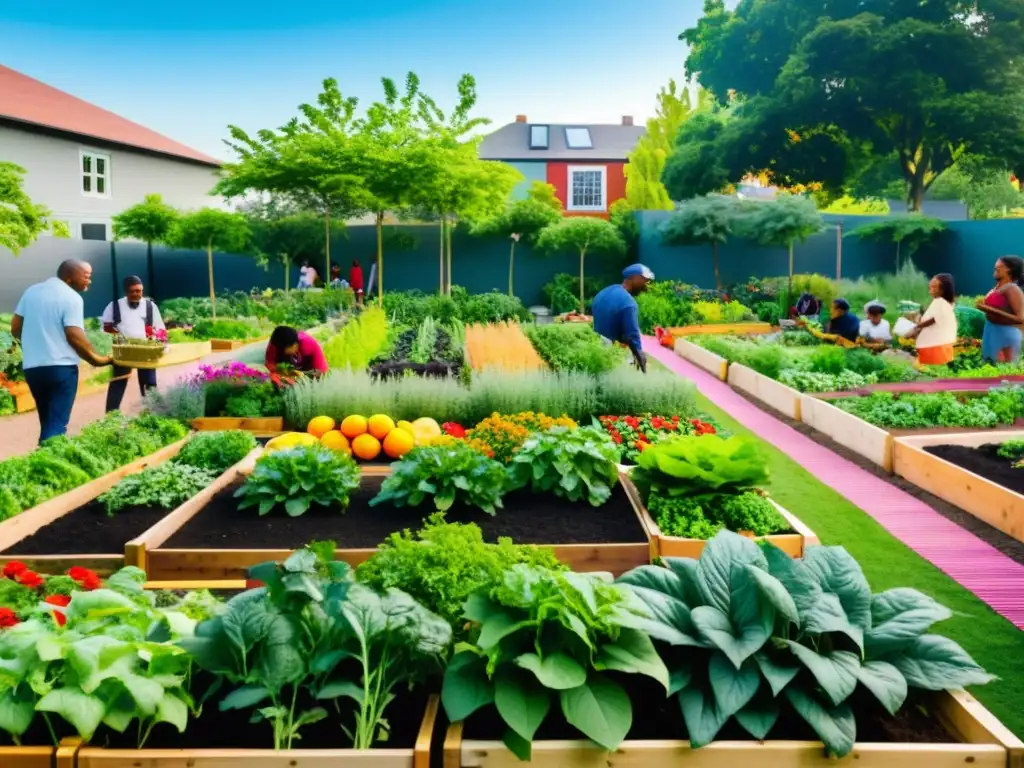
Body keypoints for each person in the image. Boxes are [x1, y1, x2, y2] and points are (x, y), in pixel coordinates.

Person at [10, 260, 111, 442]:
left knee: (48, 420)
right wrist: (98, 360)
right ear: (69, 277)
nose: (89, 281)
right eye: (86, 276)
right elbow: (74, 335)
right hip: (61, 369)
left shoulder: (31, 291)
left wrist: (33, 345)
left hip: (33, 368)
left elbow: (16, 327)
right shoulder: (71, 298)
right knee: (57, 425)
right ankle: (47, 465)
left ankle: (40, 462)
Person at [101, 275, 165, 413]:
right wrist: (116, 335)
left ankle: (153, 414)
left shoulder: (150, 306)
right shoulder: (114, 306)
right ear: (125, 292)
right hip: (124, 351)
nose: (136, 294)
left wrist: (161, 343)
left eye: (139, 291)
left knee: (149, 384)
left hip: (145, 350)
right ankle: (111, 416)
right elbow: (105, 327)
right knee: (118, 382)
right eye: (132, 291)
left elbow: (160, 329)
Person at [591, 264, 655, 374]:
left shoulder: (605, 292)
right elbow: (632, 335)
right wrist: (642, 362)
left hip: (596, 346)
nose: (646, 285)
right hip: (613, 353)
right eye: (645, 280)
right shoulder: (628, 303)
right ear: (634, 278)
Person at [978, 256, 1024, 362]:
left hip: (1005, 335)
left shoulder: (1012, 289)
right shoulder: (998, 287)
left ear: (1009, 269)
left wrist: (988, 309)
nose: (995, 266)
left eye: (999, 266)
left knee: (1004, 373)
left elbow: (1020, 318)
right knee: (990, 368)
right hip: (992, 331)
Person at [905, 273, 957, 365]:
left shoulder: (942, 303)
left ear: (943, 290)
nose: (930, 288)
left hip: (936, 346)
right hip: (934, 345)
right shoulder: (938, 301)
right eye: (930, 286)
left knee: (933, 369)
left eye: (934, 286)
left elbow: (932, 320)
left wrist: (915, 328)